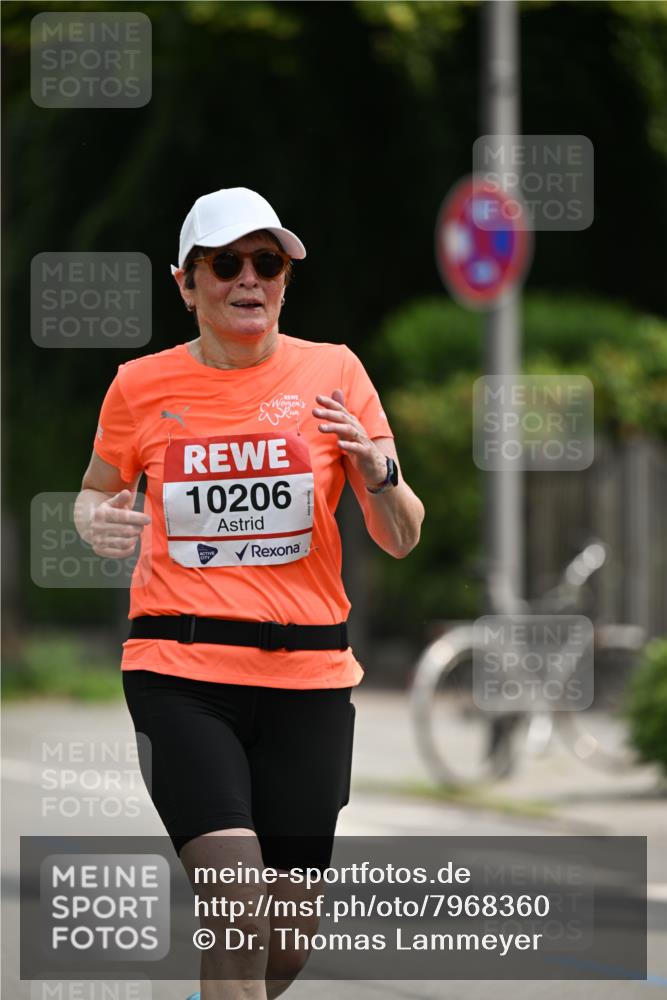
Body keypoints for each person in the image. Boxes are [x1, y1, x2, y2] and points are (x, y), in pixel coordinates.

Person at [74, 187, 424, 1000]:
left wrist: (378, 471)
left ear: (284, 280)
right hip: (180, 673)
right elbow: (94, 490)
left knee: (286, 942)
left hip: (308, 681)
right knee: (235, 902)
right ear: (185, 282)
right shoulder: (139, 385)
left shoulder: (335, 372)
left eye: (266, 263)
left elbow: (401, 535)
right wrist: (96, 521)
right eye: (225, 264)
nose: (248, 278)